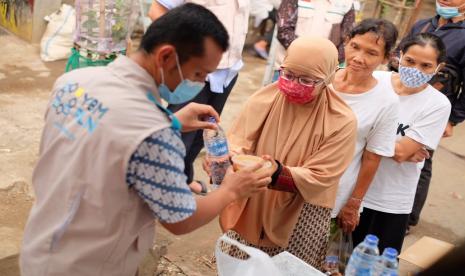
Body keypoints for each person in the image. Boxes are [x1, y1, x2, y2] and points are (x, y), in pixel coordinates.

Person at [19, 4, 273, 275]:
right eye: (199, 74)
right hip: (89, 265)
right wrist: (231, 190)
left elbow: (106, 132)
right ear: (166, 56)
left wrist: (171, 120)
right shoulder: (154, 135)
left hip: (41, 246)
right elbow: (181, 220)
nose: (200, 84)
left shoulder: (73, 81)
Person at [219, 36, 357, 270]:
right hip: (253, 196)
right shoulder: (264, 98)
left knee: (287, 269)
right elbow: (237, 141)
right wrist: (228, 158)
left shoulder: (341, 120)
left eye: (306, 80)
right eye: (288, 75)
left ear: (328, 79)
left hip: (302, 211)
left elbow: (322, 176)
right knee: (240, 265)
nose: (294, 84)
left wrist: (277, 172)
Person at [353, 33, 452, 253]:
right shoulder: (376, 81)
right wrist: (397, 148)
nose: (416, 70)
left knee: (371, 265)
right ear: (399, 55)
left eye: (426, 66)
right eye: (410, 61)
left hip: (388, 200)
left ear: (439, 67)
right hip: (351, 188)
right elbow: (399, 151)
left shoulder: (438, 104)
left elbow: (400, 152)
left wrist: (362, 136)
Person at [149, 0, 251, 195]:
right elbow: (157, 11)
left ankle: (183, 180)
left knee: (203, 134)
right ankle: (159, 187)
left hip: (228, 71)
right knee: (177, 135)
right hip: (195, 70)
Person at [390, 0, 465, 233]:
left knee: (421, 159)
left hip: (434, 109)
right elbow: (399, 57)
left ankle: (407, 217)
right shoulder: (423, 25)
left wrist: (453, 118)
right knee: (393, 147)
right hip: (401, 100)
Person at [330, 19, 399, 234]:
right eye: (355, 47)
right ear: (346, 42)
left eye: (371, 53)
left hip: (335, 190)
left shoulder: (386, 101)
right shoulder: (324, 78)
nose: (358, 58)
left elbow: (372, 156)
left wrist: (353, 203)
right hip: (293, 179)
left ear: (386, 57)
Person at [275, 0, 356, 79]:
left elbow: (347, 39)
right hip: (288, 71)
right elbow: (284, 31)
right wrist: (307, 58)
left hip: (321, 75)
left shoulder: (347, 3)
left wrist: (328, 61)